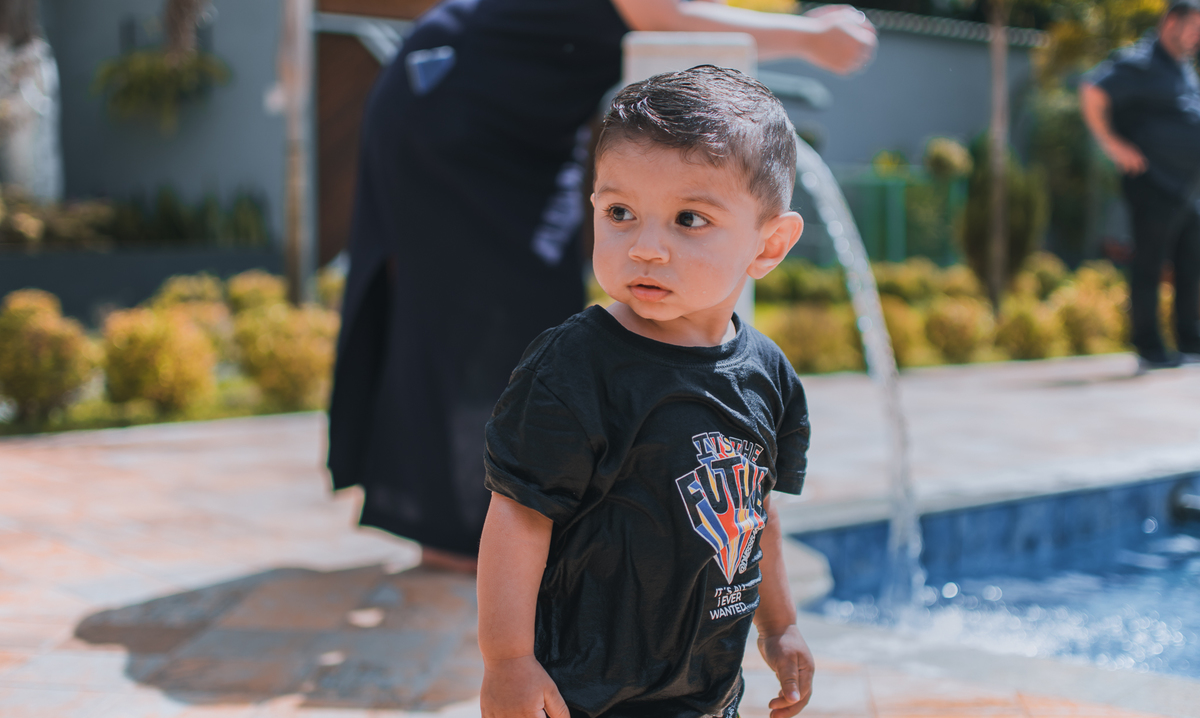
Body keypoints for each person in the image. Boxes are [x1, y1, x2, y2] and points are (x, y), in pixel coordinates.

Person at [326, 0, 875, 571]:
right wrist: (811, 38)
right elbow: (661, 13)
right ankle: (460, 535)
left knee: (538, 322)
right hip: (457, 108)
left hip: (528, 131)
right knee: (488, 322)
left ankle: (493, 526)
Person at [477, 66, 811, 718]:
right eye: (620, 212)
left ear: (769, 245)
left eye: (689, 220)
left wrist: (780, 628)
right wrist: (506, 662)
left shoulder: (767, 375)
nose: (646, 247)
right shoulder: (575, 367)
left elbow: (755, 515)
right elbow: (519, 515)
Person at [1080, 0, 1200, 370]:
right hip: (1153, 183)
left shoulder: (1181, 68)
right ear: (1170, 22)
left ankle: (1189, 338)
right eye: (1194, 27)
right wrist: (1112, 144)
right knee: (1149, 265)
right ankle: (1149, 346)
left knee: (1190, 263)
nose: (1197, 37)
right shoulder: (1140, 62)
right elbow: (1092, 90)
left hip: (1185, 188)